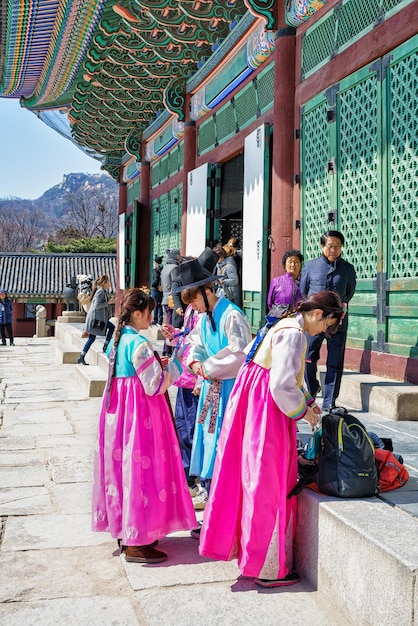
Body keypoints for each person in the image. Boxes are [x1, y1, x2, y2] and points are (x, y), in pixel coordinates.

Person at [199, 291, 344, 587]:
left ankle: (252, 555)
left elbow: (283, 376)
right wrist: (304, 411)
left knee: (250, 475)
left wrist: (305, 399)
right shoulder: (296, 334)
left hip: (252, 399)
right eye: (327, 325)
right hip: (267, 408)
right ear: (318, 314)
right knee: (268, 481)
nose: (324, 332)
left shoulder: (284, 323)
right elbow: (280, 385)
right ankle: (268, 567)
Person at [92, 288, 197, 563]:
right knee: (141, 473)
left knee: (124, 472)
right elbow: (154, 385)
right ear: (137, 314)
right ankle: (138, 540)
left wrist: (157, 364)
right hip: (140, 416)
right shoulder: (138, 343)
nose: (152, 317)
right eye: (149, 312)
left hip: (118, 414)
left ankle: (126, 530)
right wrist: (176, 364)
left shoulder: (118, 339)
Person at [173, 248, 252, 515]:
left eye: (193, 299)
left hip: (229, 389)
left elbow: (240, 354)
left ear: (208, 291)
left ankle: (225, 505)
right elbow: (195, 342)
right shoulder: (205, 318)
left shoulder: (232, 315)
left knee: (225, 443)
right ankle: (210, 497)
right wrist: (195, 362)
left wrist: (206, 367)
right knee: (208, 441)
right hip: (211, 388)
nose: (191, 306)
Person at [300, 230, 356, 411]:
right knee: (309, 358)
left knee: (335, 361)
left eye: (337, 246)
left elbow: (349, 293)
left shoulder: (347, 269)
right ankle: (313, 388)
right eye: (330, 246)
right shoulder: (310, 266)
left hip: (336, 322)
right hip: (314, 322)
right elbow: (304, 290)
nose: (333, 249)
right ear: (322, 246)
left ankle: (329, 400)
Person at [161, 301, 205, 508]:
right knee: (184, 430)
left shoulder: (207, 314)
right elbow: (188, 336)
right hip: (183, 377)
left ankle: (203, 484)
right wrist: (175, 334)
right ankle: (188, 481)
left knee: (199, 432)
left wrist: (202, 379)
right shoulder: (190, 310)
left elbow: (205, 347)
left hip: (197, 378)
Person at [78, 275, 115, 364]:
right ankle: (105, 346)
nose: (110, 283)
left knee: (92, 338)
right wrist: (108, 302)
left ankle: (82, 357)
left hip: (98, 318)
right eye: (108, 281)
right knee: (110, 328)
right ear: (104, 283)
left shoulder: (102, 291)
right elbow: (96, 305)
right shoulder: (100, 292)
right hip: (96, 318)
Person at [160, 248, 181, 356]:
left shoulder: (165, 268)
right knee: (171, 327)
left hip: (165, 298)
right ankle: (168, 349)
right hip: (172, 300)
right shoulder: (175, 268)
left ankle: (166, 348)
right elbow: (176, 284)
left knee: (167, 324)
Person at [213, 242, 242, 308]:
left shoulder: (229, 266)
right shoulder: (219, 266)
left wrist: (223, 281)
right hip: (225, 295)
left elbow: (235, 280)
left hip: (232, 297)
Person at [151, 255, 163, 325]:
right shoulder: (162, 269)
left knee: (155, 304)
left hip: (155, 289)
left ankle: (155, 319)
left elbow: (155, 279)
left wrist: (152, 284)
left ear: (155, 262)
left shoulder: (155, 269)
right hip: (161, 289)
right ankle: (160, 320)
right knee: (160, 304)